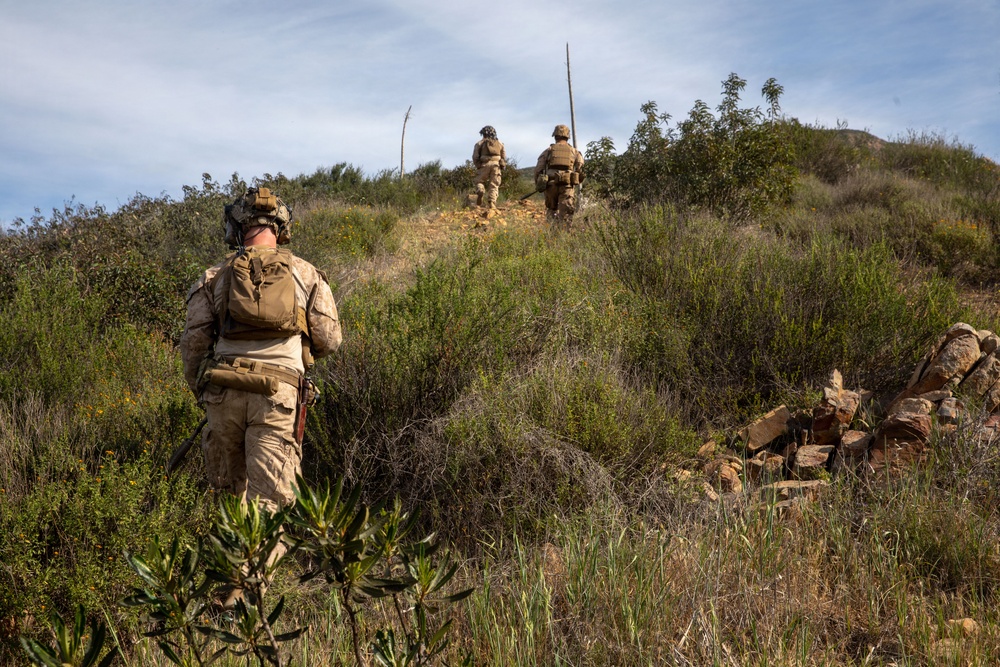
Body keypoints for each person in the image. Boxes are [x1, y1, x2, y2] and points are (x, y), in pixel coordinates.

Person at [179, 186, 342, 518]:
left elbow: (193, 344)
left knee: (227, 499)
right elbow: (329, 338)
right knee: (271, 502)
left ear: (237, 227)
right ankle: (263, 570)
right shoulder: (307, 274)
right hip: (278, 397)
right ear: (281, 228)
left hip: (224, 391)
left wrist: (201, 390)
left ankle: (231, 568)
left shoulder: (214, 276)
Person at [534, 124, 585, 225]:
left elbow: (538, 169)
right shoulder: (574, 151)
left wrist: (539, 184)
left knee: (551, 211)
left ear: (555, 136)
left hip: (551, 185)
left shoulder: (548, 151)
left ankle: (552, 235)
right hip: (567, 186)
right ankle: (564, 235)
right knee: (566, 214)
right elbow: (581, 168)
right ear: (567, 136)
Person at [472, 125, 507, 210]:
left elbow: (475, 157)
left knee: (479, 181)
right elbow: (504, 156)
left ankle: (480, 190)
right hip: (496, 165)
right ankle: (492, 203)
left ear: (483, 134)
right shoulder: (500, 143)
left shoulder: (479, 143)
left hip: (484, 164)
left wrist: (478, 165)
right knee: (494, 184)